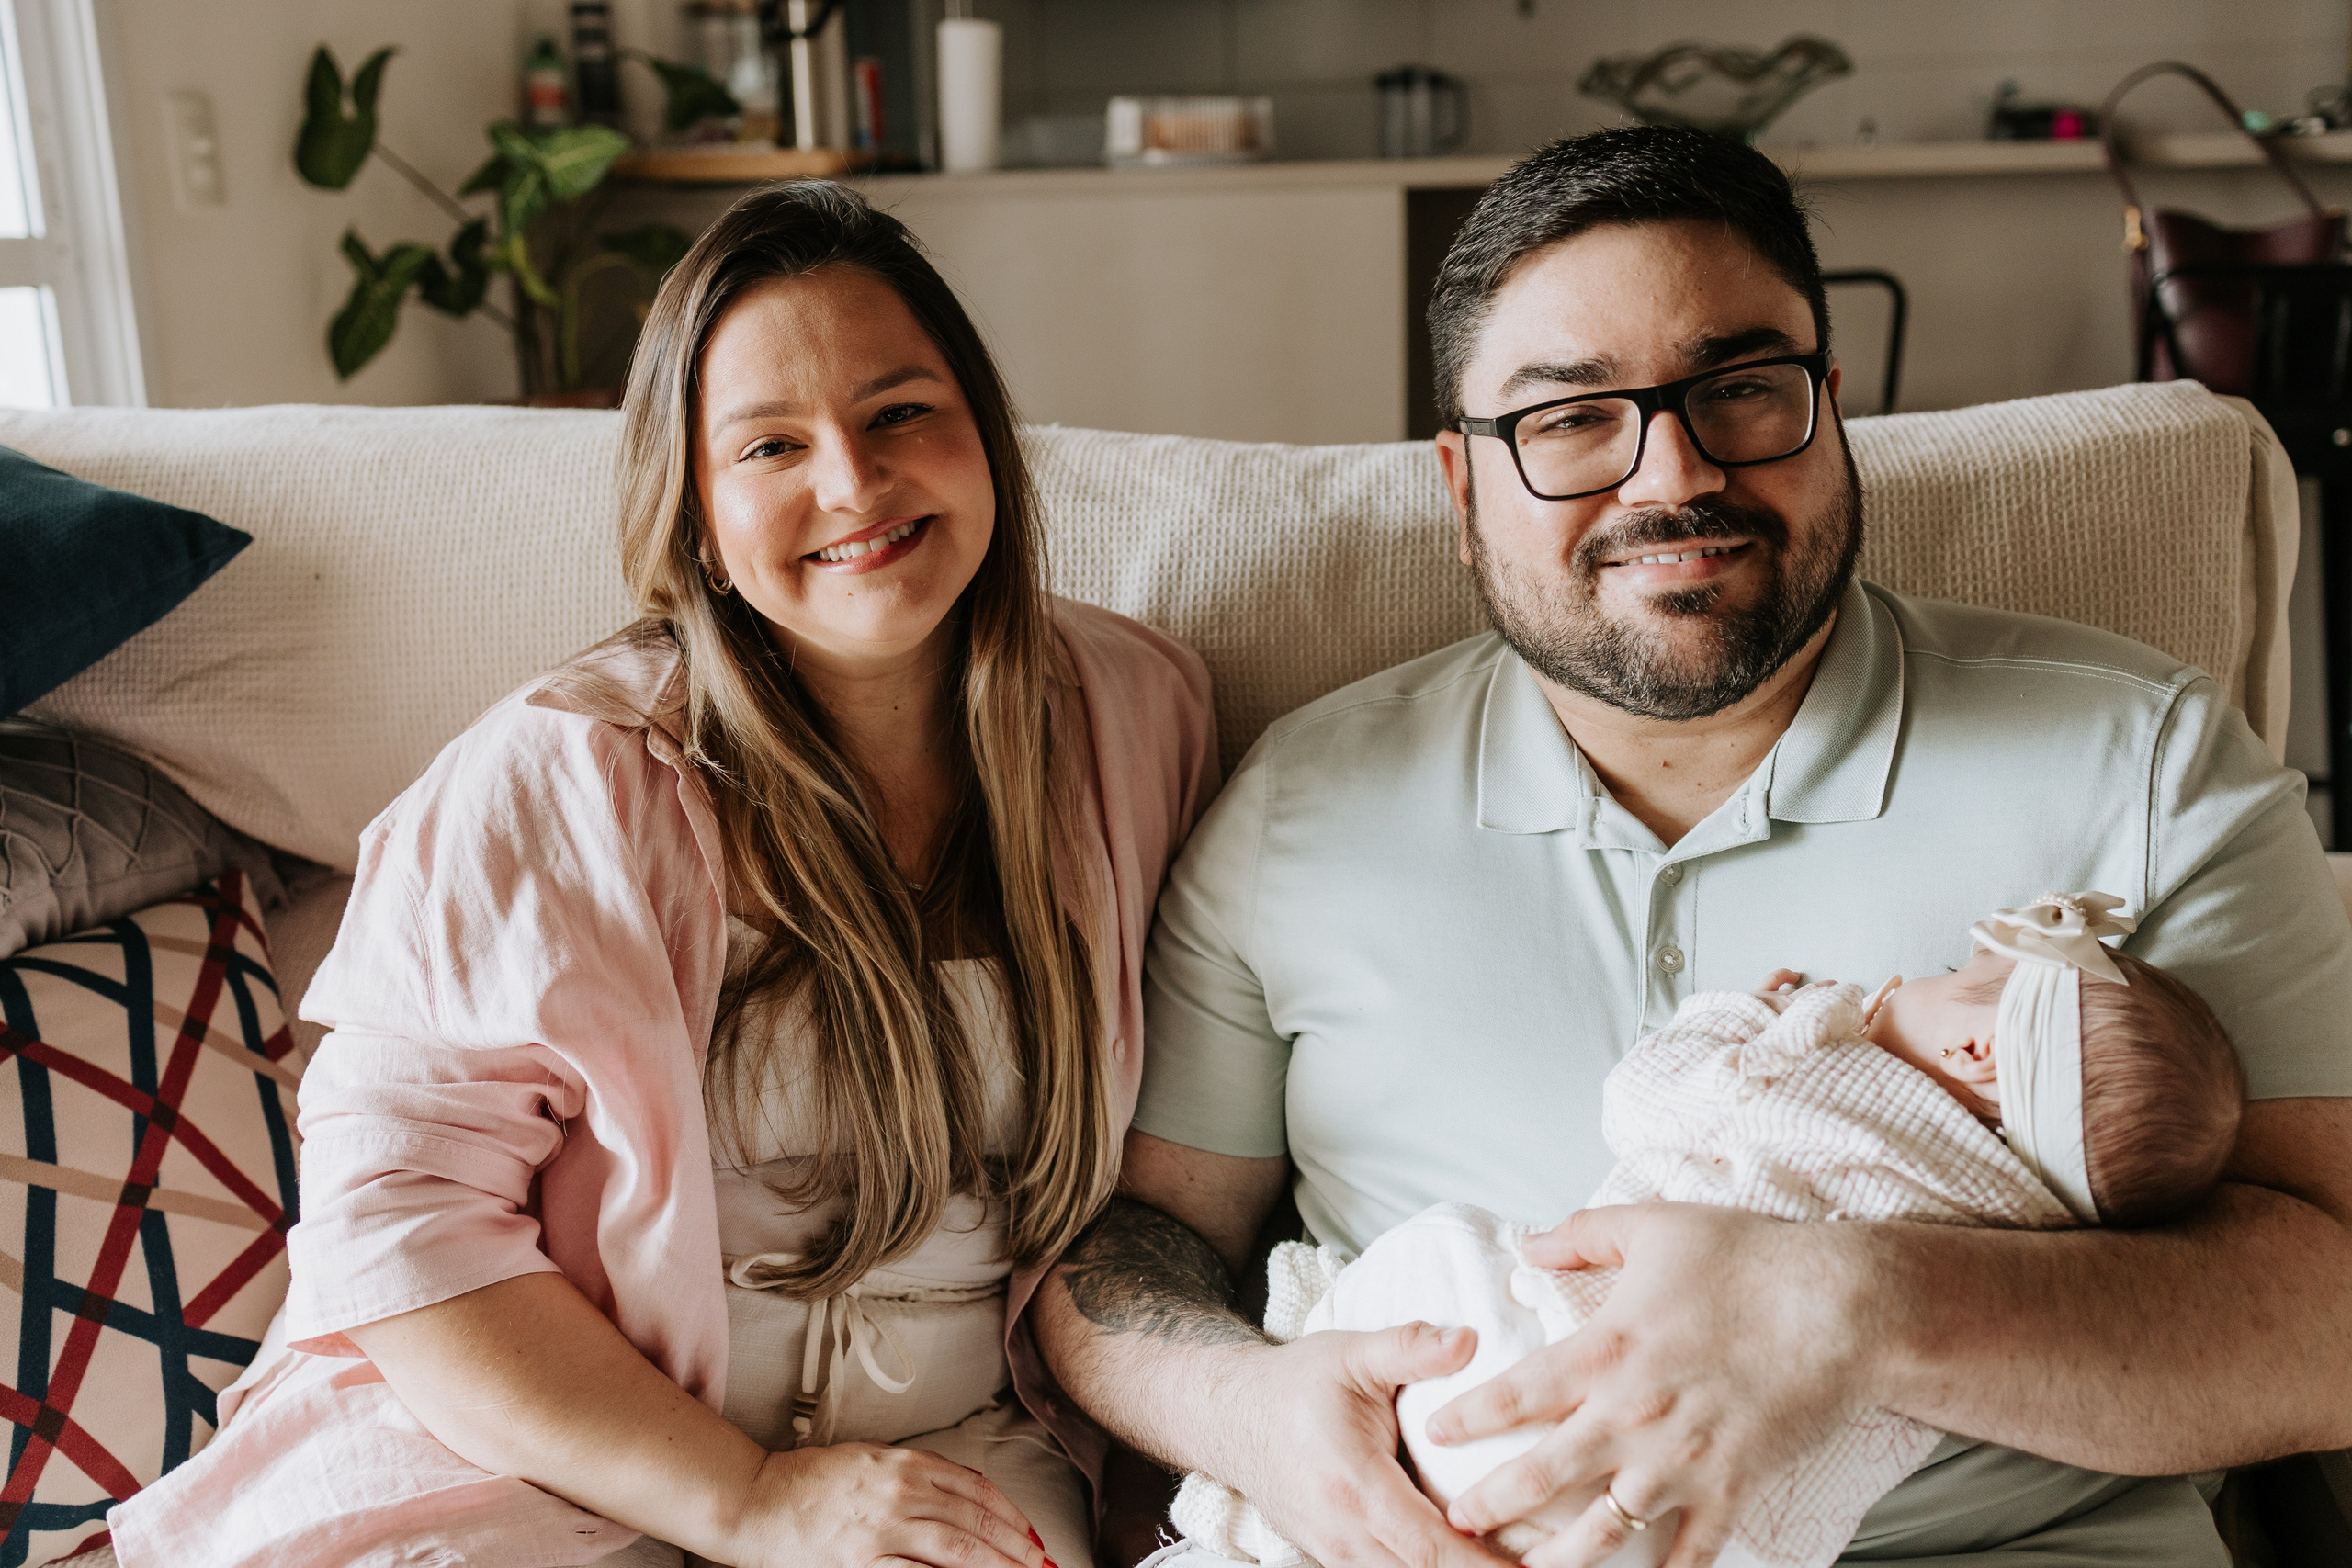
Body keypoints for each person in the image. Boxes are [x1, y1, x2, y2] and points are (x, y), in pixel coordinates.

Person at [1029, 125, 2352, 1568]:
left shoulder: (2143, 758)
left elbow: (2334, 1315)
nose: (1673, 472)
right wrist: (1257, 1412)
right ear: (1462, 488)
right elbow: (1134, 1237)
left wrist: (1860, 1305)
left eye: (1739, 389)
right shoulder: (1301, 806)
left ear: (1832, 409)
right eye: (1572, 418)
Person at [107, 181, 1215, 1568]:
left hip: (957, 1459)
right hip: (546, 1447)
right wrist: (747, 1499)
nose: (854, 485)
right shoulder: (559, 777)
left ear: (984, 433)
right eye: (771, 445)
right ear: (692, 507)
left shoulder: (1138, 717)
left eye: (899, 413)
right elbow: (394, 1231)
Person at [1157, 892, 2247, 1568]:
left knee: (1446, 1249)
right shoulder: (2018, 1229)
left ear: (1976, 1062)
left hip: (1528, 1380)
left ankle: (1261, 1468)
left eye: (1960, 985)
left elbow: (1648, 1104)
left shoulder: (1832, 1092)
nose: (1913, 980)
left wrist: (1746, 1019)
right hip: (1693, 1534)